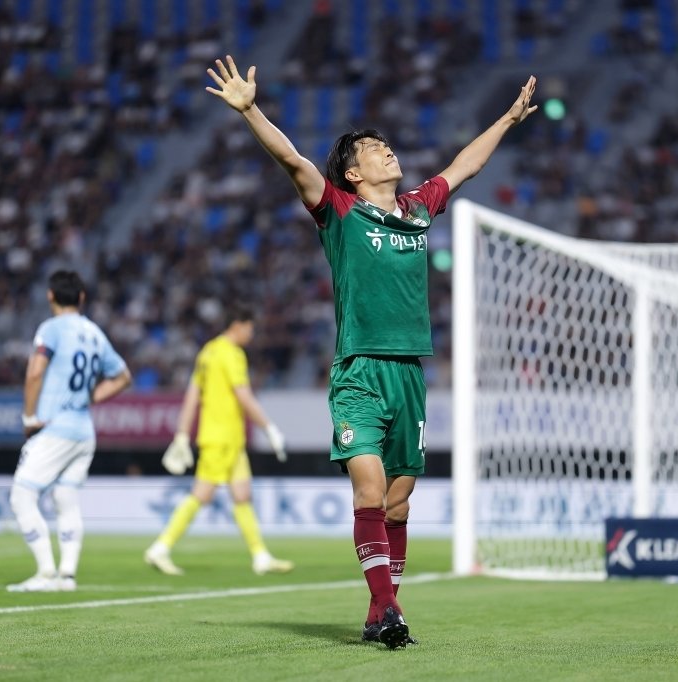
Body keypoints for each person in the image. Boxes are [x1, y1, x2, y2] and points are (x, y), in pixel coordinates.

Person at [204, 56, 537, 647]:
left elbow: (465, 165)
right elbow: (292, 160)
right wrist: (251, 108)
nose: (386, 151)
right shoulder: (339, 211)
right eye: (373, 149)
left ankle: (378, 611)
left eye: (386, 145)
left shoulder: (416, 209)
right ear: (353, 174)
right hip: (359, 369)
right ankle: (388, 612)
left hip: (409, 371)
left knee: (400, 504)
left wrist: (509, 119)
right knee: (369, 490)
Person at [144, 303, 294, 576]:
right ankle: (160, 547)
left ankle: (260, 556)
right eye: (250, 328)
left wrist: (181, 434)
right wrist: (269, 428)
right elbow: (243, 395)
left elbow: (192, 395)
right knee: (201, 494)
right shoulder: (232, 353)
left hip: (225, 439)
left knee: (242, 495)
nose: (251, 334)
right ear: (237, 325)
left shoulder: (208, 351)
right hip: (222, 438)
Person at [8, 270, 133, 592]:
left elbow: (35, 373)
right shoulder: (94, 333)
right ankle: (67, 575)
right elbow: (122, 377)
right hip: (83, 430)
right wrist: (90, 398)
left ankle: (46, 574)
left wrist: (29, 417)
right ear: (81, 298)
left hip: (55, 426)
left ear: (50, 296)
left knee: (22, 496)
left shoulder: (50, 329)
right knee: (66, 498)